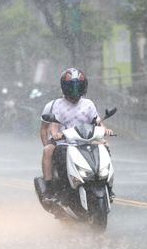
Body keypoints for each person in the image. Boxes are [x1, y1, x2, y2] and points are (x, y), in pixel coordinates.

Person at [40, 68, 113, 202]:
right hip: (66, 142)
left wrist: (105, 130)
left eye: (78, 86)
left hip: (87, 140)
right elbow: (53, 127)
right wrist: (55, 135)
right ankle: (50, 188)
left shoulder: (88, 104)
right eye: (71, 87)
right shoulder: (57, 105)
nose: (75, 90)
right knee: (48, 150)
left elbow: (97, 121)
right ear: (64, 88)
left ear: (84, 87)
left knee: (105, 146)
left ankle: (107, 184)